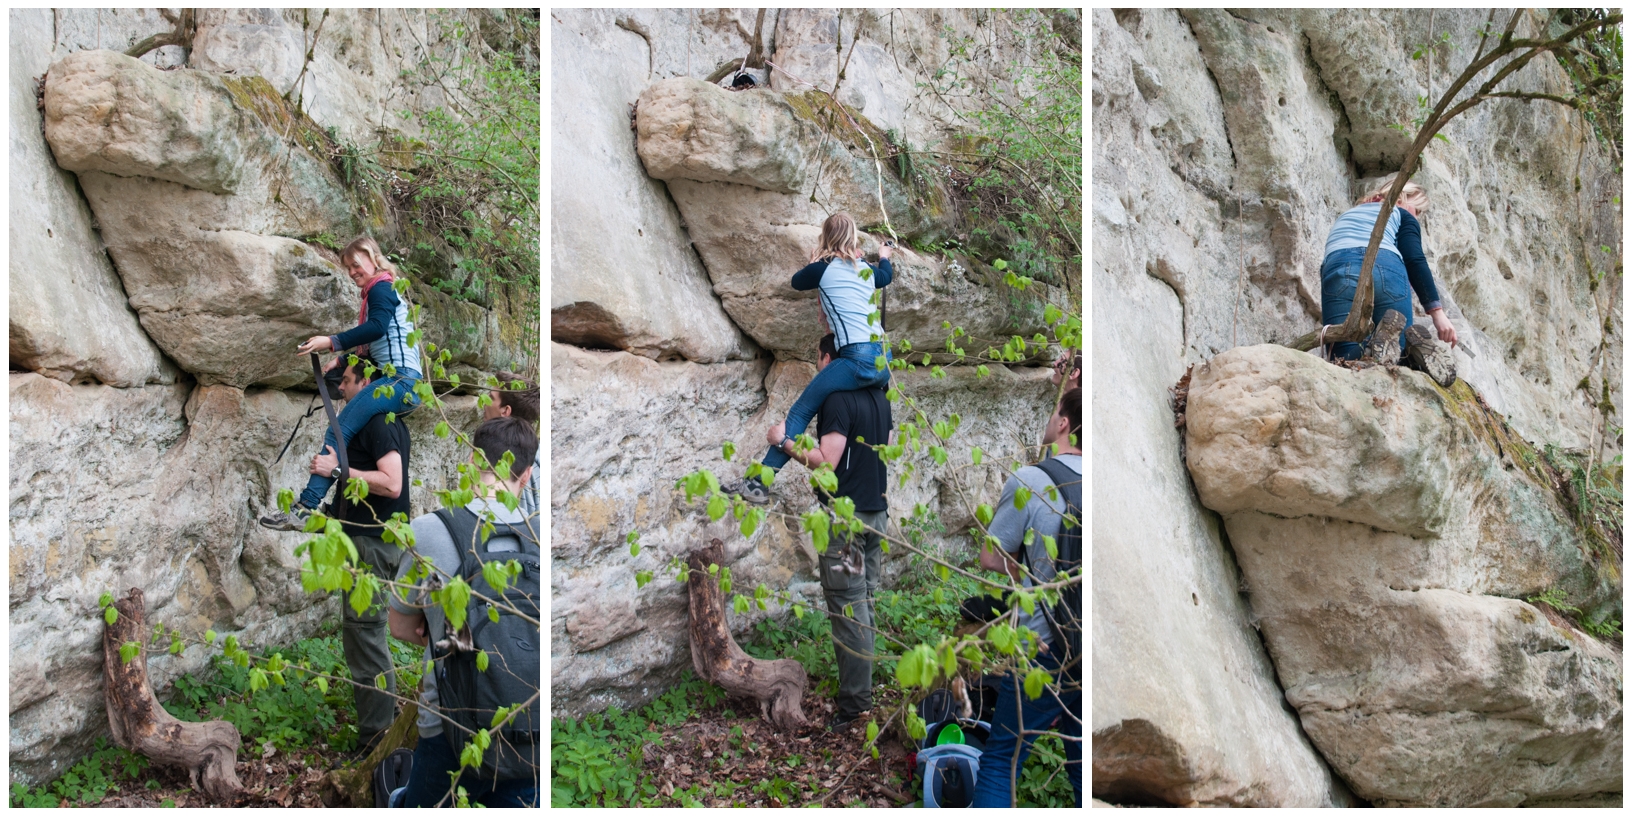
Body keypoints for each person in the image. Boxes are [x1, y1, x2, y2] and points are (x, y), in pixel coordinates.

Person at [387, 417, 539, 808]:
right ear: (526, 475)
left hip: (448, 728)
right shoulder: (540, 535)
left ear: (471, 462)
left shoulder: (429, 530)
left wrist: (436, 623)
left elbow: (400, 626)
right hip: (529, 732)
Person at [767, 333, 893, 731]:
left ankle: (855, 708)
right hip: (876, 515)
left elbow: (826, 462)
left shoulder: (837, 399)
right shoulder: (881, 396)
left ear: (829, 361)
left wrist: (784, 442)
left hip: (845, 522)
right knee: (865, 602)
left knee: (849, 610)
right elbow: (890, 446)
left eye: (819, 363)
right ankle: (865, 690)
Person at [261, 236, 423, 530]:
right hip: (403, 382)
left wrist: (332, 342)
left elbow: (376, 328)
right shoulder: (383, 289)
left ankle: (306, 508)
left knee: (337, 433)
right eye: (347, 268)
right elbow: (380, 342)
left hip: (400, 381)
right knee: (353, 434)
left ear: (372, 258)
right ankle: (326, 508)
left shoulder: (381, 289)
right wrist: (346, 359)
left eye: (355, 264)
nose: (351, 272)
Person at [734, 212, 893, 505]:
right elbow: (887, 275)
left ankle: (758, 483)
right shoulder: (868, 270)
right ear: (854, 237)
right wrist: (884, 255)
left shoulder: (822, 269)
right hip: (885, 361)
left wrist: (816, 260)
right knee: (868, 408)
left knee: (800, 412)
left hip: (857, 358)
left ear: (826, 237)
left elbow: (797, 282)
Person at [974, 387, 1082, 808]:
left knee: (1003, 757)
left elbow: (990, 557)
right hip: (1095, 648)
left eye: (1055, 409)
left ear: (1063, 424)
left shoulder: (1032, 480)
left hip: (1044, 642)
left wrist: (1034, 569)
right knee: (1079, 765)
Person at [307, 356, 412, 756]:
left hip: (372, 544)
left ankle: (377, 743)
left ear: (368, 381)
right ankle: (378, 732)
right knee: (361, 636)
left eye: (348, 382)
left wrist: (337, 471)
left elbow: (391, 482)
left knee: (366, 639)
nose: (342, 390)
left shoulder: (378, 420)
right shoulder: (377, 419)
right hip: (363, 540)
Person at [1319, 175, 1458, 368]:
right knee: (1395, 362)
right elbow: (1414, 258)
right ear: (1402, 198)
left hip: (1339, 267)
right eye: (1416, 209)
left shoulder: (1347, 215)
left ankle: (1366, 353)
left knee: (1344, 358)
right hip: (1386, 266)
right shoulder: (1401, 213)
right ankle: (1398, 351)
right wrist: (1437, 313)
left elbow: (1327, 263)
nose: (1415, 215)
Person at [484, 371, 539, 516]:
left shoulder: (509, 460)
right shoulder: (536, 457)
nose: (484, 402)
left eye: (491, 398)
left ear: (505, 411)